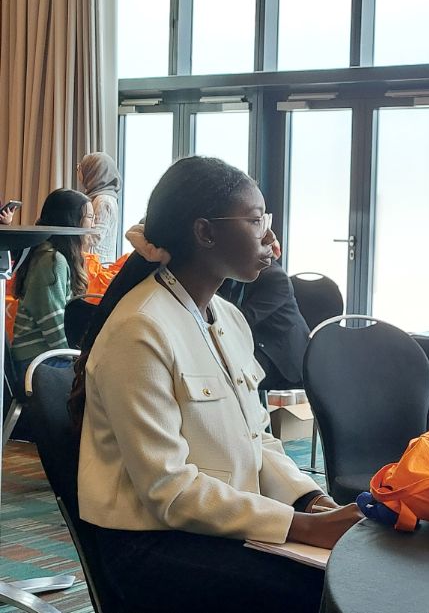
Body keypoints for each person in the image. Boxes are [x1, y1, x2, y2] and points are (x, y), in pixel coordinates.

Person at [71, 156, 362, 613]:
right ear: (205, 233)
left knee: (356, 572)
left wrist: (309, 502)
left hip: (223, 524)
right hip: (153, 544)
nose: (271, 238)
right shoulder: (140, 329)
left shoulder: (228, 317)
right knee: (325, 591)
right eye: (255, 220)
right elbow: (168, 489)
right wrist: (300, 528)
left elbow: (257, 438)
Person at [11, 189, 93, 376]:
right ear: (72, 221)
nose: (93, 224)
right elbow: (54, 324)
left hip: (41, 356)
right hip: (38, 360)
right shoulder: (52, 261)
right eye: (89, 217)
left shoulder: (50, 256)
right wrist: (75, 358)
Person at [218, 239, 310, 393]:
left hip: (280, 354)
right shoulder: (233, 275)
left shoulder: (275, 278)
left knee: (232, 375)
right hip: (255, 342)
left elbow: (244, 319)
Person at [77, 152, 121, 262]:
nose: (78, 170)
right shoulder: (101, 197)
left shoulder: (103, 200)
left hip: (97, 265)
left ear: (92, 172)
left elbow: (95, 237)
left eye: (81, 168)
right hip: (94, 262)